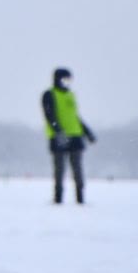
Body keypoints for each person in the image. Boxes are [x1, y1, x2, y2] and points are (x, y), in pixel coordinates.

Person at [42, 67, 97, 204]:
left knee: (77, 168)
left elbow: (75, 117)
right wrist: (58, 131)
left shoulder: (71, 95)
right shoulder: (49, 94)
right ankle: (58, 198)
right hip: (58, 136)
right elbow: (50, 115)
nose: (67, 82)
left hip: (76, 135)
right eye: (65, 79)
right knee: (60, 169)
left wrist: (87, 132)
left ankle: (80, 198)